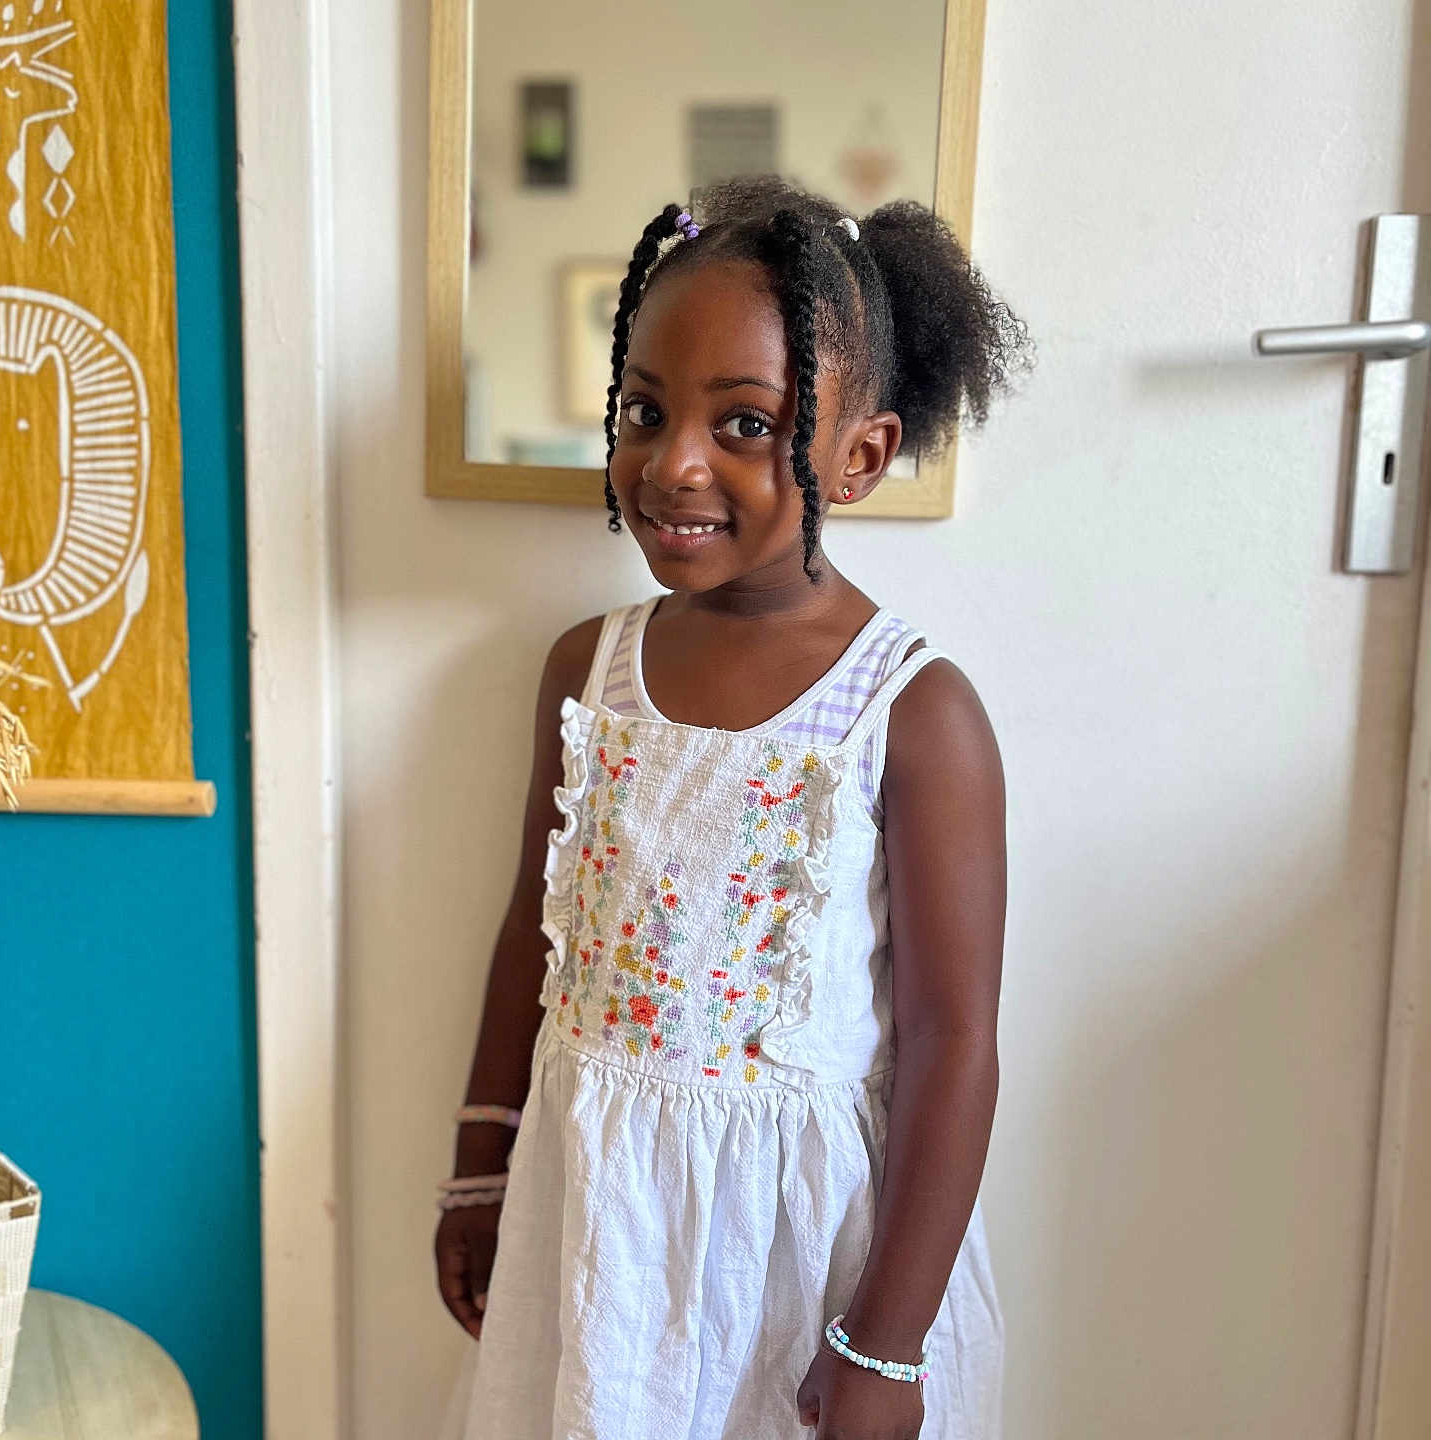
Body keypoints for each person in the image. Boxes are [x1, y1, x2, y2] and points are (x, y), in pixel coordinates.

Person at [436, 175, 1030, 1440]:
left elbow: (950, 1044)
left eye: (748, 424)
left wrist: (889, 1343)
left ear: (859, 455)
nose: (675, 462)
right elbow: (529, 939)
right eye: (643, 409)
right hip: (594, 1222)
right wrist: (483, 1157)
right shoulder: (584, 670)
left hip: (799, 1262)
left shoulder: (915, 714)